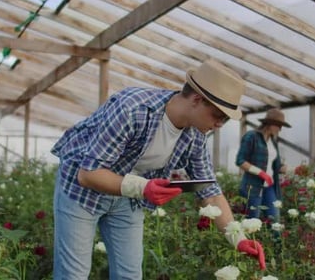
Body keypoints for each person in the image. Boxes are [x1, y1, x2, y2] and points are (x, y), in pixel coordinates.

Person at [50, 59, 266, 279]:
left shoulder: (196, 136)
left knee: (130, 274)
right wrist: (144, 188)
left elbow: (210, 194)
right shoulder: (132, 108)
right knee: (73, 274)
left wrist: (238, 239)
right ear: (197, 99)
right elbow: (88, 174)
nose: (220, 124)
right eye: (218, 116)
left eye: (225, 119)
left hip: (128, 196)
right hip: (82, 190)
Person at [235, 108, 291, 222]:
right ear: (269, 123)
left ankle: (277, 240)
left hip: (269, 187)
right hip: (253, 187)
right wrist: (261, 173)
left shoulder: (272, 141)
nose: (280, 129)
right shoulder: (251, 136)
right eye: (278, 125)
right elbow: (240, 161)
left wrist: (282, 168)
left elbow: (272, 164)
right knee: (252, 221)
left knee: (275, 220)